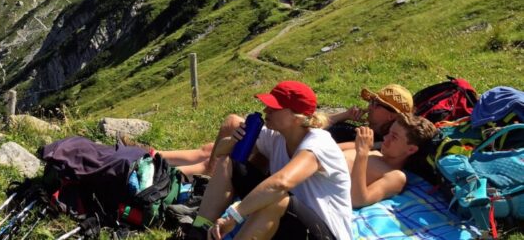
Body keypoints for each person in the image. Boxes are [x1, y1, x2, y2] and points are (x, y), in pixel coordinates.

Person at [186, 81, 352, 240]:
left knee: (276, 198)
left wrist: (234, 215)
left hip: (323, 233)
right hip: (287, 221)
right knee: (231, 161)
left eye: (274, 108)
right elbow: (220, 154)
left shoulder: (318, 143)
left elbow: (282, 183)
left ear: (297, 117)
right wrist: (233, 142)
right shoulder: (276, 135)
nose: (266, 110)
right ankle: (199, 231)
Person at [344, 113, 437, 208]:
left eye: (394, 137)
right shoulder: (374, 151)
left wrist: (362, 153)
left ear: (411, 149)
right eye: (389, 133)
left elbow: (358, 200)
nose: (385, 137)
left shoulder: (396, 176)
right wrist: (374, 145)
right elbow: (333, 147)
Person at [327, 84, 414, 148]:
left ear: (391, 116)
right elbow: (315, 122)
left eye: (377, 104)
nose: (370, 106)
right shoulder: (364, 132)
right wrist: (345, 115)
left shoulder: (374, 142)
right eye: (372, 101)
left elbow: (329, 152)